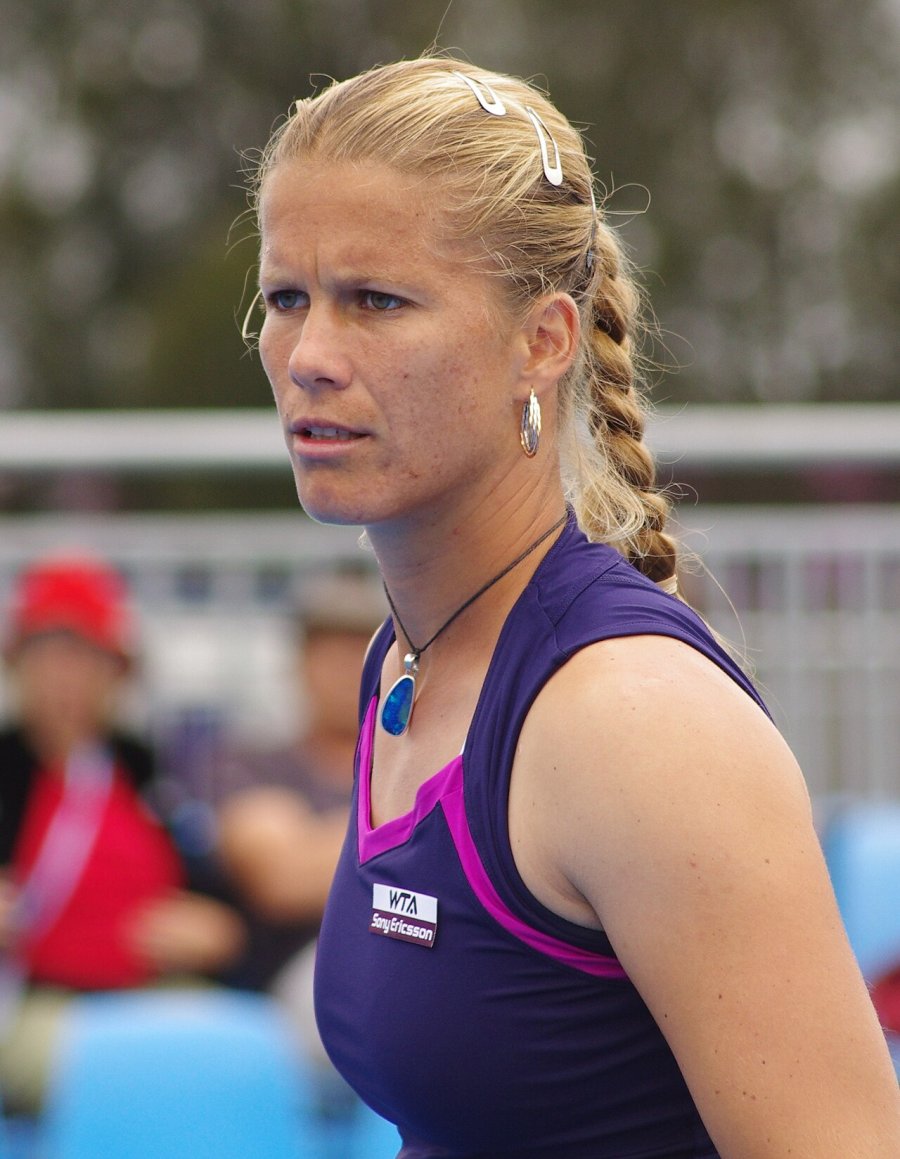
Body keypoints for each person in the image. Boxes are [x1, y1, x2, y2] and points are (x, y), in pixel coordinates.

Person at [247, 56, 900, 1158]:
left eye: (377, 301)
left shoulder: (631, 721)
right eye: (286, 300)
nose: (309, 357)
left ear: (542, 342)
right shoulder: (406, 659)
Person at [0, 553, 244, 1115]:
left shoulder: (148, 768)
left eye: (86, 658)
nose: (66, 677)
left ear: (117, 673)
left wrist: (216, 930)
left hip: (155, 990)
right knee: (96, 1071)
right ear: (18, 667)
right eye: (48, 656)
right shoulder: (7, 767)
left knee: (232, 1055)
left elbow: (212, 895)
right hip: (39, 1000)